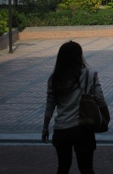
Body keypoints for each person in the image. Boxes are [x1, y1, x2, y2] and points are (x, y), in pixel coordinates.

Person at [42, 41, 109, 174]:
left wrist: (45, 127)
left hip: (62, 128)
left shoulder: (55, 79)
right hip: (83, 127)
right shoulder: (90, 75)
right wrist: (106, 116)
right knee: (86, 168)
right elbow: (99, 98)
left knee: (63, 167)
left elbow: (50, 105)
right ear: (79, 55)